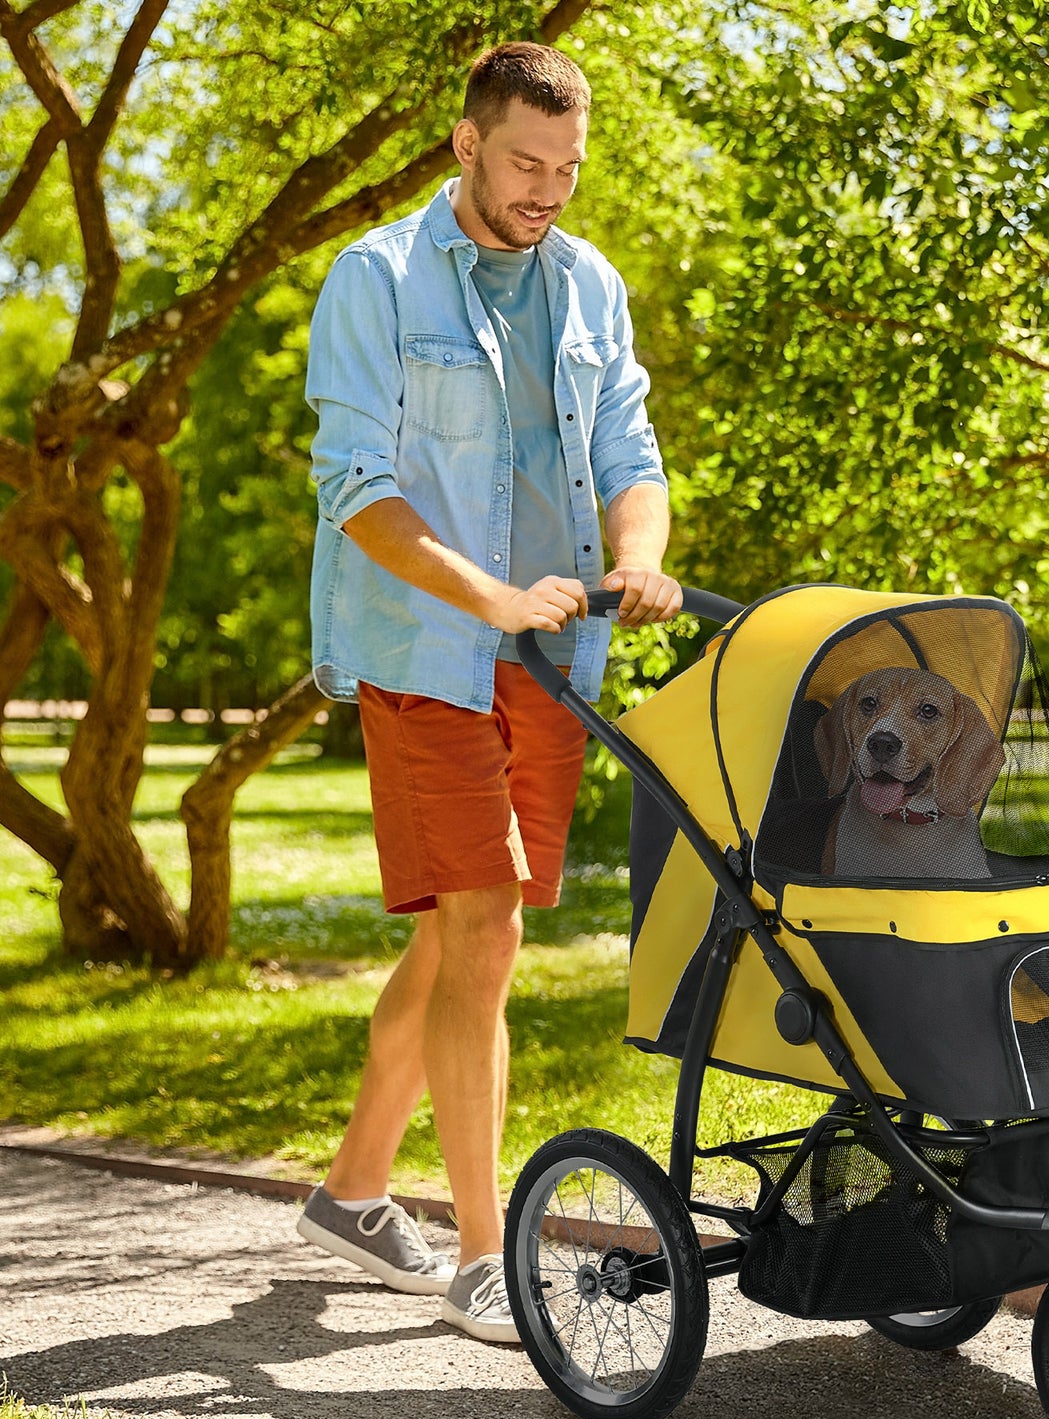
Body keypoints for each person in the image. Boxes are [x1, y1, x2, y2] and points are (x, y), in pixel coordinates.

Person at [295, 41, 681, 1343]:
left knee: (461, 934)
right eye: (525, 164)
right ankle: (480, 1255)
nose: (547, 192)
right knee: (488, 928)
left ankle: (354, 1194)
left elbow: (627, 446)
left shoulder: (587, 283)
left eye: (568, 170)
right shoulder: (377, 279)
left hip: (551, 660)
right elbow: (358, 490)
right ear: (467, 144)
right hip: (428, 652)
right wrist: (493, 600)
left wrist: (637, 557)